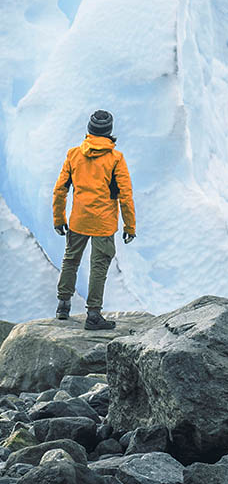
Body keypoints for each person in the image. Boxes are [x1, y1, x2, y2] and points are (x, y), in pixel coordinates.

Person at [52, 110, 136, 330]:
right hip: (103, 223)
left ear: (89, 130)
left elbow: (60, 190)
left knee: (71, 260)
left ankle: (63, 305)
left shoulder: (74, 154)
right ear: (109, 131)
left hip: (79, 219)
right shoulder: (115, 159)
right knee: (98, 267)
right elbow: (125, 195)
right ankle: (93, 315)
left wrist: (59, 218)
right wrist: (130, 225)